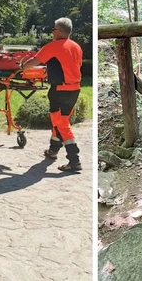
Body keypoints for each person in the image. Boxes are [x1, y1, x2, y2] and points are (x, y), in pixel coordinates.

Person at [21, 17, 83, 172]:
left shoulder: (53, 46)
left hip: (60, 91)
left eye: (53, 29)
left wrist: (22, 68)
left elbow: (33, 62)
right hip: (74, 90)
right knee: (60, 121)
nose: (52, 32)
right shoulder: (76, 47)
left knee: (61, 124)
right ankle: (53, 151)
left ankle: (74, 160)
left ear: (60, 31)